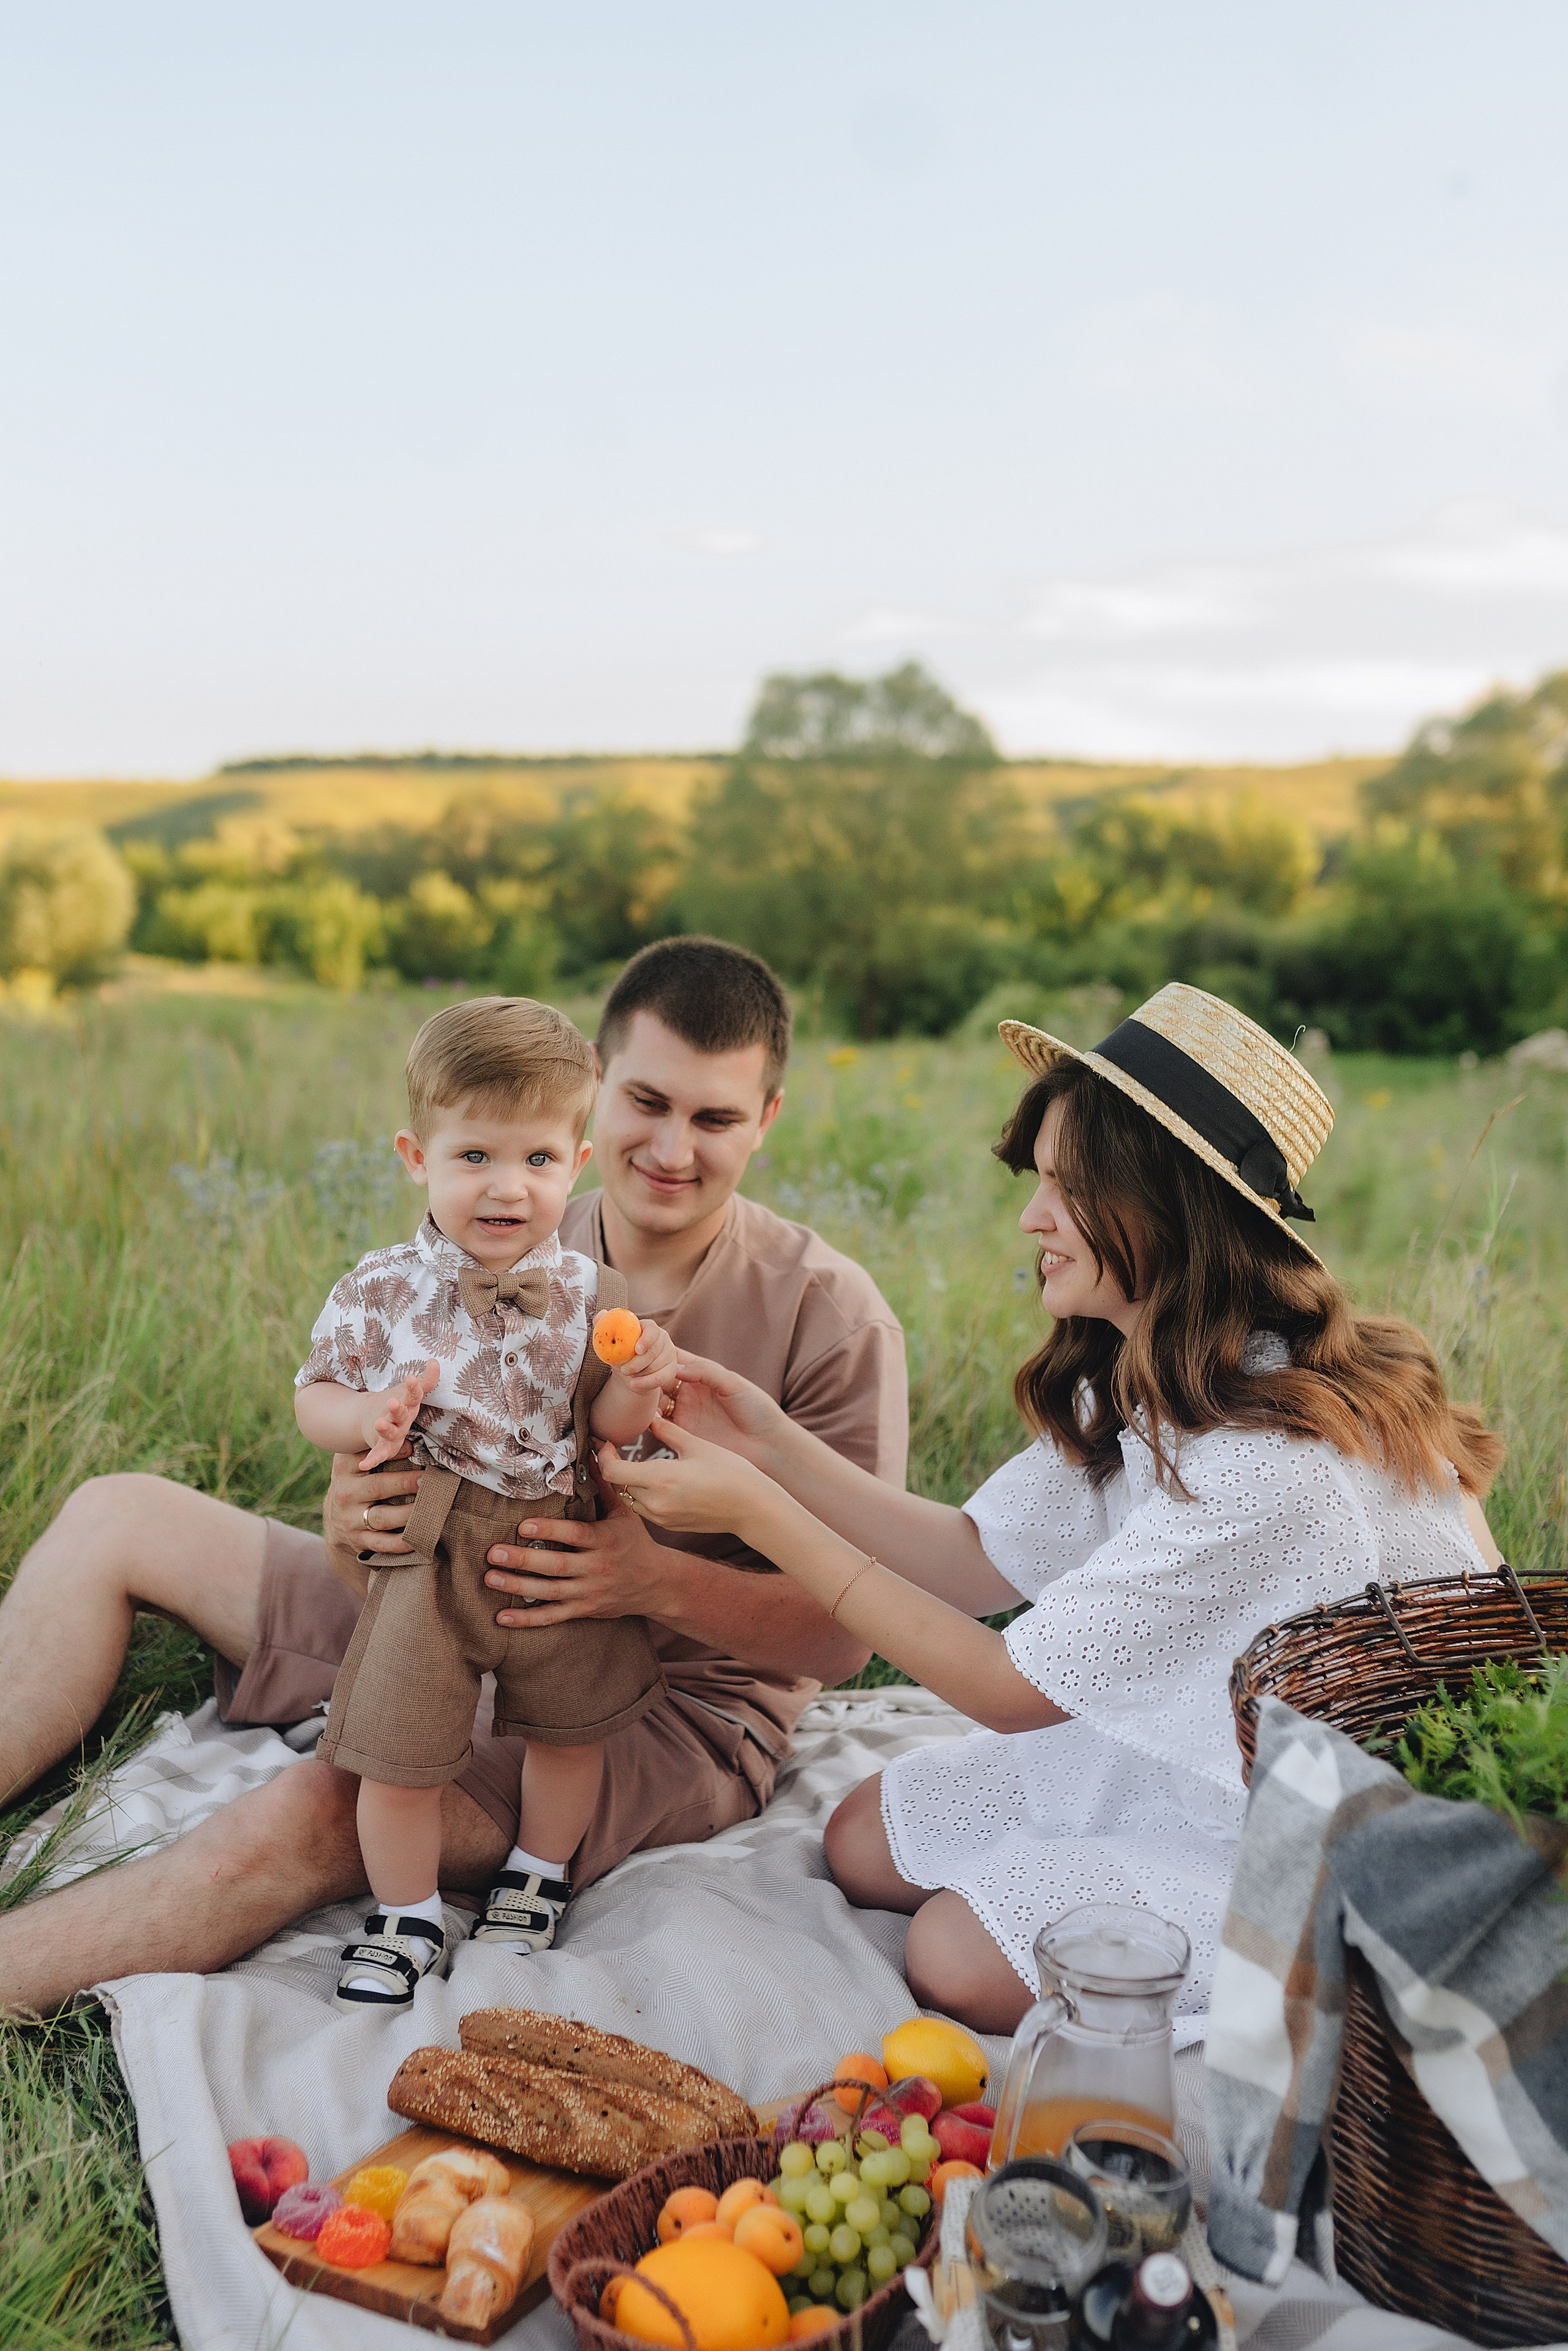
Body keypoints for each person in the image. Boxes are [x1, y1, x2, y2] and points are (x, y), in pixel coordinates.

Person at [0, 937, 906, 2018]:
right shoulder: (502, 1213)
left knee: (321, 1810)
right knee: (118, 1510)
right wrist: (349, 1515)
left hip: (653, 1704)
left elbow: (842, 1639)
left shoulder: (831, 1314)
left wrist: (648, 1582)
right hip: (437, 1598)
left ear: (768, 1119)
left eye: (715, 1118)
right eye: (647, 1101)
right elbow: (370, 1442)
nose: (672, 1148)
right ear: (594, 1095)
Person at [598, 983, 1504, 2041]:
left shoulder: (1270, 1461)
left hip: (1318, 1828)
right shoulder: (1151, 1367)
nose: (1032, 1216)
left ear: (1162, 1208)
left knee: (951, 1956)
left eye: (1065, 1190)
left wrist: (758, 1512)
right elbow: (974, 1560)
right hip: (1203, 1745)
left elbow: (1003, 1688)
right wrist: (772, 1445)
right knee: (856, 1838)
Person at [294, 997, 679, 2009]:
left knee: (569, 1725)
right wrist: (366, 1415)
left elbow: (607, 1424)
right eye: (475, 1157)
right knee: (399, 1741)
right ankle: (407, 1910)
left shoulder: (599, 1288)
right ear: (417, 1155)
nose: (508, 1186)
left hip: (558, 1528)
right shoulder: (379, 1289)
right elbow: (314, 1394)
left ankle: (537, 1876)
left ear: (578, 1160)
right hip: (431, 1539)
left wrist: (637, 1383)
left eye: (538, 1160)